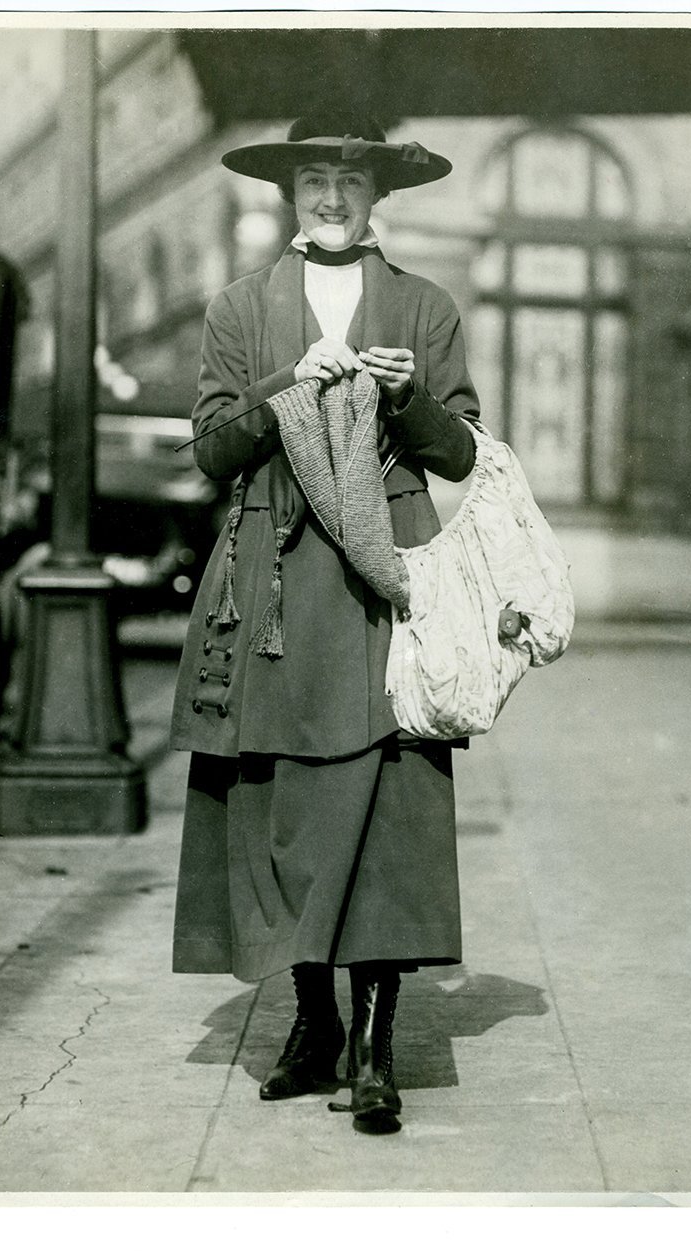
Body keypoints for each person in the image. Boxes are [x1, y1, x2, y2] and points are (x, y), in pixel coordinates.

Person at [169, 112, 480, 1133]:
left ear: (379, 193)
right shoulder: (240, 307)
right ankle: (311, 1027)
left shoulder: (425, 308)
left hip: (382, 583)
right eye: (315, 180)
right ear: (289, 193)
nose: (334, 199)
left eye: (351, 181)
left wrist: (412, 398)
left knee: (385, 807)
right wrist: (280, 389)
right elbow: (213, 453)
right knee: (277, 806)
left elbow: (460, 455)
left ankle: (377, 1048)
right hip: (268, 587)